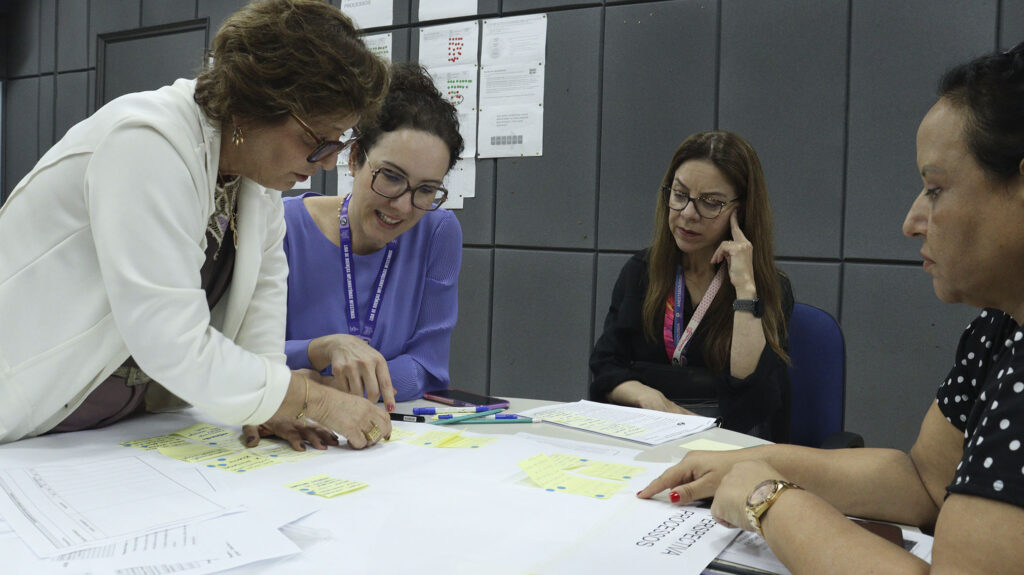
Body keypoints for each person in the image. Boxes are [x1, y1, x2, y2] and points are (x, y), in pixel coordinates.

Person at [638, 43, 1024, 573]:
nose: (912, 221)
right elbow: (922, 480)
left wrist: (768, 498)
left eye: (935, 189)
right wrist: (750, 461)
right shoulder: (999, 328)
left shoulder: (766, 285)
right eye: (679, 196)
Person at [0, 0, 394, 450]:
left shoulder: (258, 183)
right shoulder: (147, 143)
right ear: (252, 105)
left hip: (104, 426)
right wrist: (312, 401)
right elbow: (170, 341)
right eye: (314, 140)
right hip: (24, 410)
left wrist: (271, 407)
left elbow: (261, 315)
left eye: (336, 143)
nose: (324, 163)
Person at [275, 62, 463, 409]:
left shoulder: (438, 231)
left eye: (425, 190)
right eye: (390, 177)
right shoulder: (284, 226)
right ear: (355, 159)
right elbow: (245, 356)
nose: (403, 207)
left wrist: (319, 386)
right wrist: (319, 348)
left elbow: (428, 367)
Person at [590, 131, 793, 441]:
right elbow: (605, 367)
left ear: (743, 210)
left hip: (727, 446)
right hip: (645, 436)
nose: (687, 214)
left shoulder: (767, 289)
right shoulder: (642, 271)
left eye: (711, 203)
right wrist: (649, 397)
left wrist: (744, 290)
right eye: (680, 195)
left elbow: (753, 398)